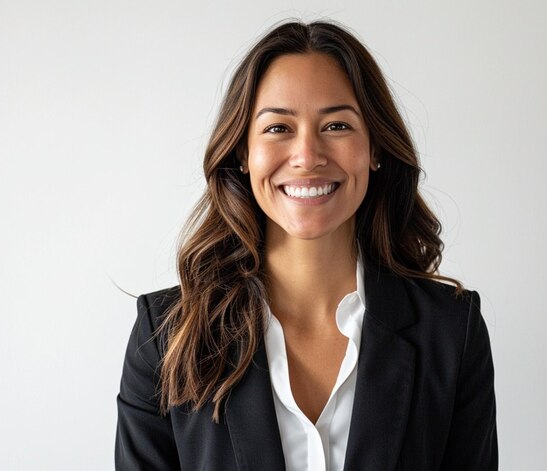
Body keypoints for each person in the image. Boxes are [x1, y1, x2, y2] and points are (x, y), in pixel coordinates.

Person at [115, 20, 498, 471]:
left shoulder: (452, 332)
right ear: (242, 152)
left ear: (374, 148)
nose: (307, 155)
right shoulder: (166, 337)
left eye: (336, 125)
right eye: (278, 128)